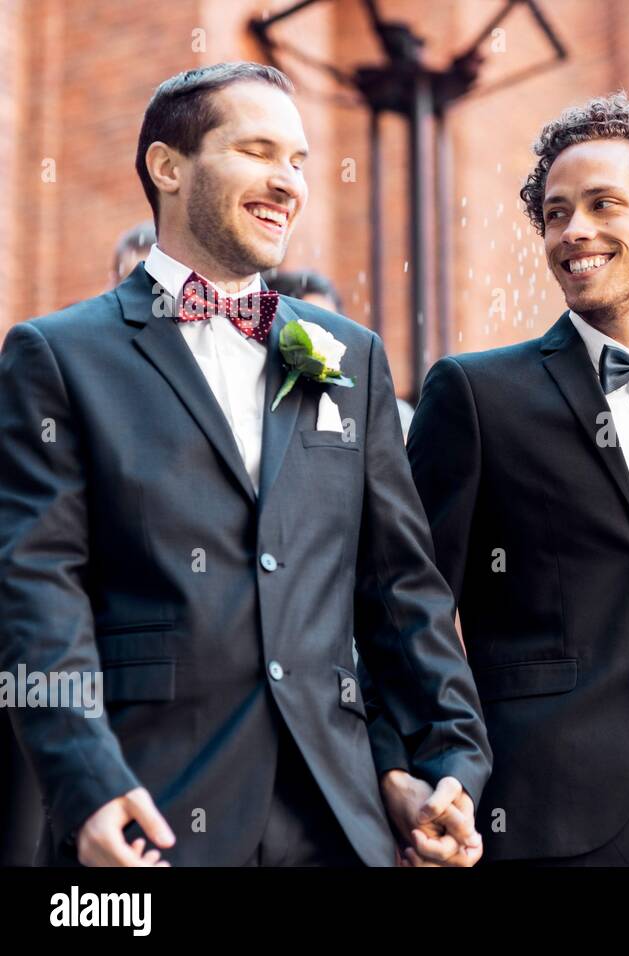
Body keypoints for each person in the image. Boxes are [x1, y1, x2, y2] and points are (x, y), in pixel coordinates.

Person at [0, 62, 490, 866]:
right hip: (146, 814)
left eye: (298, 161)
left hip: (342, 821)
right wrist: (84, 780)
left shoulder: (351, 357)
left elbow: (403, 587)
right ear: (168, 167)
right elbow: (36, 586)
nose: (289, 182)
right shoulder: (56, 356)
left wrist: (444, 763)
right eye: (259, 151)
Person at [376, 91, 629, 866]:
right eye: (557, 213)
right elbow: (408, 602)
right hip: (546, 810)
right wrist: (420, 770)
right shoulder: (475, 395)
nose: (575, 232)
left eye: (603, 204)